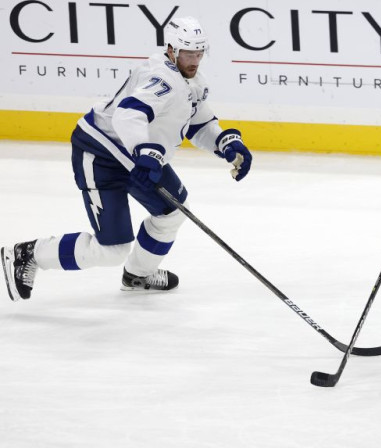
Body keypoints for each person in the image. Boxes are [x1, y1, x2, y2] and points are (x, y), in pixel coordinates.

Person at [1, 17, 252, 301]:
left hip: (138, 157)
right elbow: (129, 114)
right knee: (112, 248)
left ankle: (138, 275)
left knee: (173, 212)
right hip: (101, 154)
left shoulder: (192, 81)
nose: (194, 60)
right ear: (171, 49)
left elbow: (198, 122)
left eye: (198, 53)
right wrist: (145, 151)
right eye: (187, 53)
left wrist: (225, 143)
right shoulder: (161, 79)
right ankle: (28, 254)